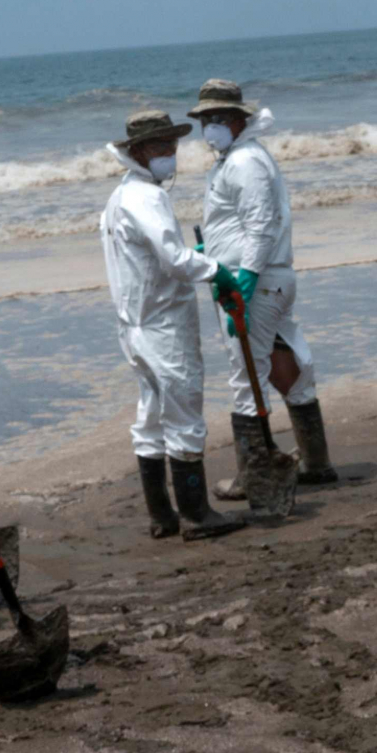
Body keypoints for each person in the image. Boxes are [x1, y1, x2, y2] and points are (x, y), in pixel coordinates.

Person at [100, 110, 247, 542]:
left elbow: (156, 256)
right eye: (159, 147)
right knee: (183, 414)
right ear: (138, 152)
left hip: (133, 324)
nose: (170, 154)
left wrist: (194, 256)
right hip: (163, 323)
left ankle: (162, 515)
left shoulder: (120, 197)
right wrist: (216, 269)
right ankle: (197, 515)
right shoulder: (145, 197)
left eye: (172, 145)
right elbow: (175, 260)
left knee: (150, 417)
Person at [190, 78, 335, 499]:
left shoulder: (244, 162)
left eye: (219, 118)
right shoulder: (236, 157)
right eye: (205, 119)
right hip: (268, 280)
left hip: (256, 284)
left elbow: (261, 224)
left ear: (239, 120)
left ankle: (254, 477)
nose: (210, 127)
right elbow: (239, 221)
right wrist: (210, 247)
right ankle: (316, 463)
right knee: (285, 364)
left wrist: (246, 278)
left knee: (244, 375)